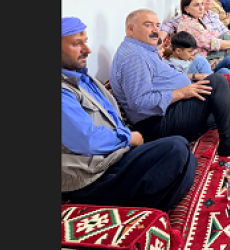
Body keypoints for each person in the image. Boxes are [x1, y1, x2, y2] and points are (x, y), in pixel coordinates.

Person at [61, 17, 196, 211]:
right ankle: (149, 206)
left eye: (85, 42)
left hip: (115, 156)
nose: (87, 50)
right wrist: (128, 137)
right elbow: (88, 141)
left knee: (183, 151)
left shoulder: (82, 77)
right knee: (176, 150)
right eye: (76, 44)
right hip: (93, 174)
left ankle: (158, 200)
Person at [109, 9, 230, 156]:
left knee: (219, 107)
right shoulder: (133, 58)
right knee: (217, 82)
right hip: (157, 122)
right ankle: (228, 142)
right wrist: (182, 92)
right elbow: (140, 102)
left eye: (157, 25)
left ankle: (204, 127)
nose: (156, 30)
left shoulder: (142, 49)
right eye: (148, 25)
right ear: (131, 29)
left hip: (170, 109)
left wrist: (189, 82)